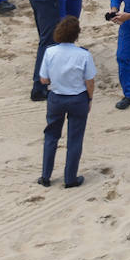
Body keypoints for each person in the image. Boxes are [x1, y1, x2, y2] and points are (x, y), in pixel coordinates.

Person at [37, 16, 96, 189]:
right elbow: (90, 82)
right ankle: (70, 178)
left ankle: (45, 176)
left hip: (56, 98)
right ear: (76, 35)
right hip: (78, 99)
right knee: (75, 139)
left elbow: (43, 80)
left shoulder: (50, 52)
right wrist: (89, 99)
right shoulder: (84, 55)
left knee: (51, 136)